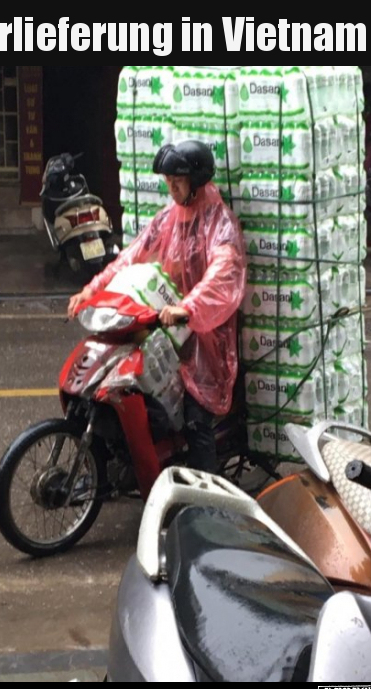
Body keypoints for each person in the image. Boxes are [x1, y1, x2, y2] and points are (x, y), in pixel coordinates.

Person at [67, 140, 247, 473]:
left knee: (195, 420)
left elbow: (225, 272)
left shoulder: (220, 223)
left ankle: (206, 503)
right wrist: (91, 291)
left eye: (177, 181)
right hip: (164, 326)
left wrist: (189, 308)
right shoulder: (168, 219)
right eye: (167, 181)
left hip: (204, 339)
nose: (171, 187)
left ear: (197, 181)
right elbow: (131, 256)